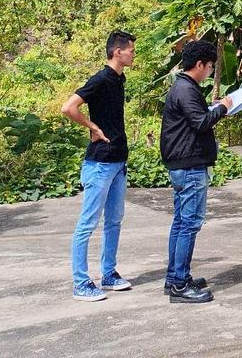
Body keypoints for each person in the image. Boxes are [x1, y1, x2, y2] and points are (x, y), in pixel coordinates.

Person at [61, 29, 136, 302]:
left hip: (118, 161)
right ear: (118, 52)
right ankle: (81, 283)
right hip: (100, 163)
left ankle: (109, 274)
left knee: (114, 220)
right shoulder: (101, 79)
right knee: (87, 223)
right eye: (131, 51)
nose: (133, 55)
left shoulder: (119, 79)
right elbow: (68, 107)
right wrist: (92, 127)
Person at [160, 39, 233, 304]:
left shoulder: (183, 87)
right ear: (199, 64)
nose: (211, 71)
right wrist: (223, 108)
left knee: (181, 222)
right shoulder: (186, 89)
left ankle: (175, 278)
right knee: (189, 224)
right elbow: (201, 123)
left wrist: (216, 109)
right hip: (189, 165)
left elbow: (196, 119)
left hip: (183, 163)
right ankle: (180, 285)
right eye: (210, 66)